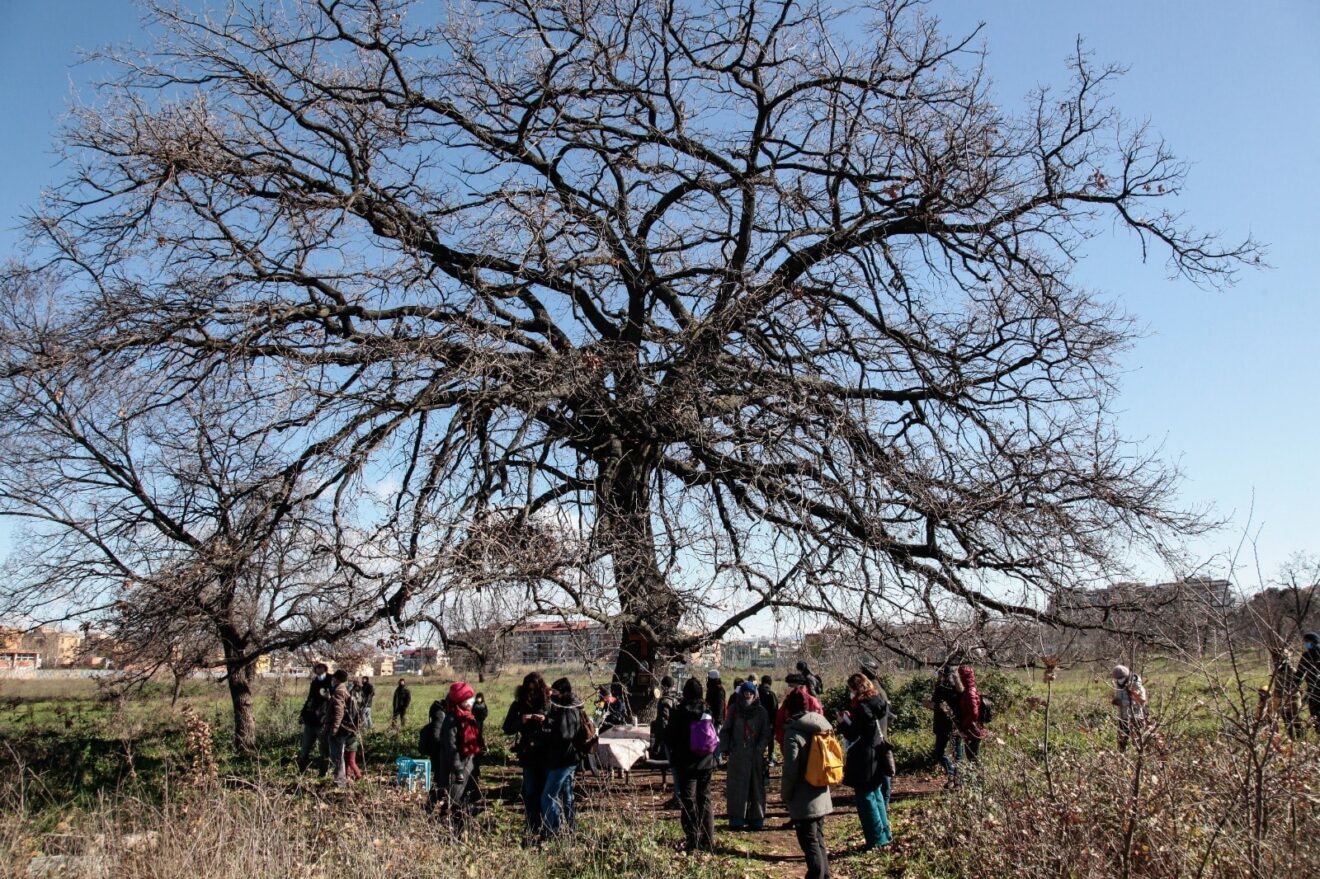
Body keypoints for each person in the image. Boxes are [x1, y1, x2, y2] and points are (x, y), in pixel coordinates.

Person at [836, 673, 893, 850]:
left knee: (866, 798)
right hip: (876, 752)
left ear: (855, 688)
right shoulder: (878, 700)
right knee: (876, 795)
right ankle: (885, 833)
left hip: (864, 756)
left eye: (851, 689)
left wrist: (842, 722)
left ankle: (876, 839)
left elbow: (853, 732)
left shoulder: (862, 707)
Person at [781, 688, 834, 879]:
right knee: (818, 837)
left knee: (808, 839)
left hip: (803, 795)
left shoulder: (793, 733)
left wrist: (785, 794)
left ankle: (816, 874)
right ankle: (825, 874)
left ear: (789, 709)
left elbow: (790, 770)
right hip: (821, 788)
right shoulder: (822, 724)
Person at [667, 677, 717, 853]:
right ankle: (709, 839)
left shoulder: (679, 711)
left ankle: (692, 838)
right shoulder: (707, 709)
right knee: (705, 798)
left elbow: (670, 737)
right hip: (706, 761)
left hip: (686, 762)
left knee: (688, 800)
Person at [503, 673, 551, 841]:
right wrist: (521, 721)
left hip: (545, 751)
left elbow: (556, 723)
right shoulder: (518, 705)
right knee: (530, 791)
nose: (531, 693)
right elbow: (507, 727)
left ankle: (547, 826)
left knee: (546, 791)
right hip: (528, 752)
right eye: (528, 690)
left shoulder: (547, 703)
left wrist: (544, 720)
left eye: (534, 690)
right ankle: (532, 826)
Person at [721, 680, 771, 830]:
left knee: (756, 788)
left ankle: (756, 819)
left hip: (755, 756)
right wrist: (726, 748)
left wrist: (760, 749)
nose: (748, 695)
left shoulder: (761, 712)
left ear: (755, 694)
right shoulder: (734, 710)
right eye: (745, 692)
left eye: (750, 692)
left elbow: (766, 733)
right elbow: (726, 730)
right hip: (738, 755)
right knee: (737, 788)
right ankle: (737, 819)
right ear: (741, 693)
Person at [540, 677, 585, 838]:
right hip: (568, 758)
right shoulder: (568, 705)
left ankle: (552, 830)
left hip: (564, 759)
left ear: (565, 692)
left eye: (556, 692)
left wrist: (548, 725)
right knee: (567, 795)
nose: (553, 695)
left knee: (548, 796)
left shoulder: (569, 709)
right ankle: (570, 828)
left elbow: (565, 734)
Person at [438, 681, 485, 829]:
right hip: (456, 767)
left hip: (469, 763)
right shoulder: (451, 719)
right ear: (460, 700)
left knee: (468, 798)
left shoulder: (469, 716)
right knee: (455, 800)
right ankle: (450, 831)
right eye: (468, 698)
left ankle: (463, 828)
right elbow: (451, 747)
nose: (471, 701)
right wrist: (458, 769)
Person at [930, 662, 963, 786]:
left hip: (943, 726)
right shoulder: (959, 690)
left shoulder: (941, 688)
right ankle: (957, 777)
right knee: (957, 754)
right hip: (955, 725)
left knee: (940, 752)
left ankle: (953, 774)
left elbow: (935, 704)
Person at [651, 675, 681, 808]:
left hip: (668, 739)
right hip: (678, 738)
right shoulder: (677, 699)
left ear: (664, 686)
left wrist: (658, 742)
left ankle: (678, 798)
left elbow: (662, 724)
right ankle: (678, 796)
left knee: (674, 770)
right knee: (677, 770)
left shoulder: (664, 702)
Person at [322, 669, 355, 787]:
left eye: (333, 678)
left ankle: (340, 782)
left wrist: (334, 729)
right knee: (338, 754)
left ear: (336, 679)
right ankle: (340, 780)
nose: (332, 680)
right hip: (342, 728)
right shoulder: (342, 690)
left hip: (339, 729)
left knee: (337, 755)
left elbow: (338, 712)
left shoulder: (339, 691)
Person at [296, 662, 331, 774]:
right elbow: (309, 699)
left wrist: (329, 698)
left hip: (322, 720)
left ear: (325, 669)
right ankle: (301, 770)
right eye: (317, 669)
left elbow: (336, 700)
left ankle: (323, 771)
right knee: (305, 747)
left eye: (321, 668)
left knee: (323, 747)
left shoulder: (331, 680)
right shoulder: (315, 682)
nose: (319, 671)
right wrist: (302, 714)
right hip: (310, 719)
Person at [776, 673, 823, 750]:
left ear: (799, 685)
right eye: (788, 686)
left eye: (791, 686)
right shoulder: (788, 699)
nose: (788, 688)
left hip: (806, 739)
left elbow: (818, 721)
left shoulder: (811, 700)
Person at [418, 700, 447, 811]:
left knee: (437, 783)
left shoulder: (425, 730)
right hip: (452, 762)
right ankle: (446, 810)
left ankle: (430, 807)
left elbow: (421, 750)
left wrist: (432, 751)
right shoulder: (450, 726)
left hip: (435, 762)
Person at [956, 663, 988, 763]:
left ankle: (979, 778)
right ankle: (977, 777)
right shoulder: (969, 690)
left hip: (973, 730)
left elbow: (974, 713)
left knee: (973, 758)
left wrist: (964, 724)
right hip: (972, 729)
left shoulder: (970, 692)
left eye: (961, 676)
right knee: (972, 757)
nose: (959, 679)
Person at [1111, 664, 1147, 752]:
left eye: (1121, 678)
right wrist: (1116, 701)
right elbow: (1118, 698)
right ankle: (1121, 759)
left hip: (1136, 717)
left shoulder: (1136, 685)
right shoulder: (1118, 685)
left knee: (1138, 742)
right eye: (1117, 679)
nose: (1119, 680)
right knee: (1121, 742)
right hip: (1123, 717)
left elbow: (1142, 701)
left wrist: (1123, 702)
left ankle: (1140, 759)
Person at [1299, 632, 1320, 736]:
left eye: (1306, 642)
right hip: (1314, 689)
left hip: (1313, 690)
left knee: (1315, 714)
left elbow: (1299, 674)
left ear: (1312, 642)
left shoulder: (1307, 655)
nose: (1305, 644)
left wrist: (1294, 685)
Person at [759, 675, 780, 767]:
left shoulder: (756, 692)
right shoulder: (771, 694)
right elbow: (775, 708)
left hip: (758, 721)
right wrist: (773, 722)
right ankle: (770, 758)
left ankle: (759, 758)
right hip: (769, 721)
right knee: (770, 741)